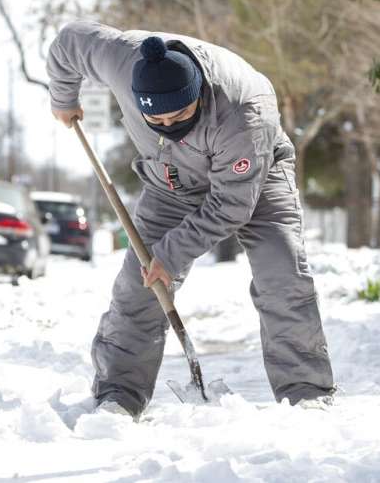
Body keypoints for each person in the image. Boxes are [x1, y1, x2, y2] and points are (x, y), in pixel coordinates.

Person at [47, 21, 335, 417]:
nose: (170, 126)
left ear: (197, 91)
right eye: (157, 121)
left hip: (255, 179)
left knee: (280, 272)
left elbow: (231, 206)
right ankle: (118, 394)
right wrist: (64, 98)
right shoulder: (119, 59)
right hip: (171, 183)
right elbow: (68, 42)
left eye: (180, 114)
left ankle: (307, 392)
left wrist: (170, 254)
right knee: (138, 283)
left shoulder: (244, 110)